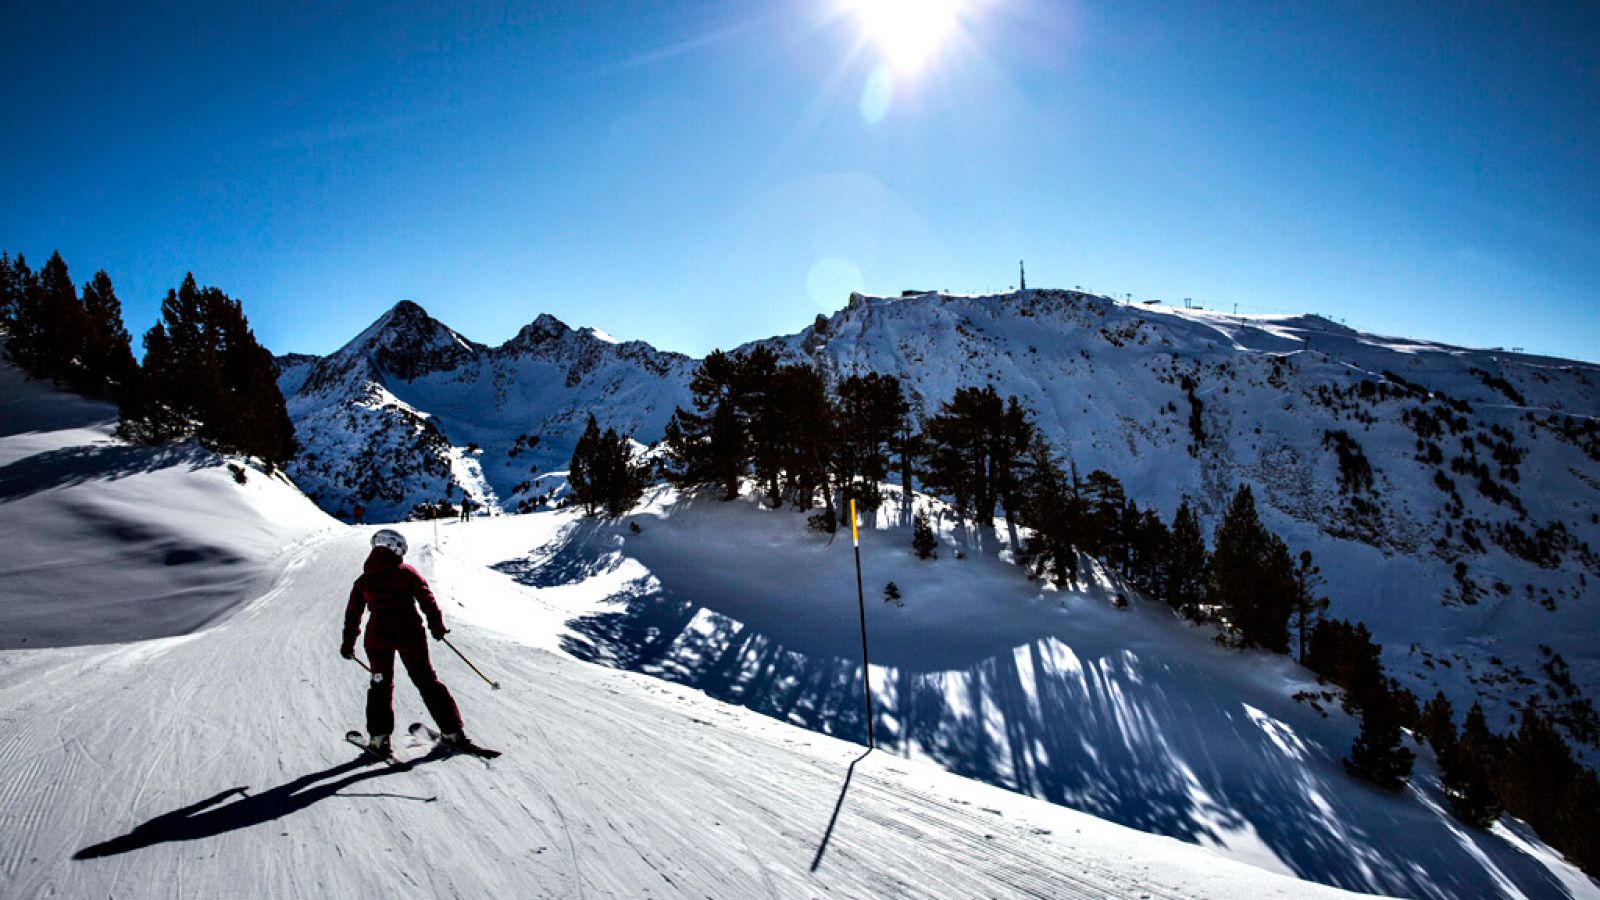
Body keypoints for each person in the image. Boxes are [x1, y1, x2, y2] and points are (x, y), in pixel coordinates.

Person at [341, 529, 473, 754]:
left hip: (377, 637)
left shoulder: (364, 580)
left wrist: (348, 643)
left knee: (380, 685)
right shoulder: (406, 573)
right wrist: (436, 626)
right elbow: (426, 598)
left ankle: (379, 739)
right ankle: (452, 732)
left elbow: (353, 614)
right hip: (409, 633)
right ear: (395, 548)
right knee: (427, 680)